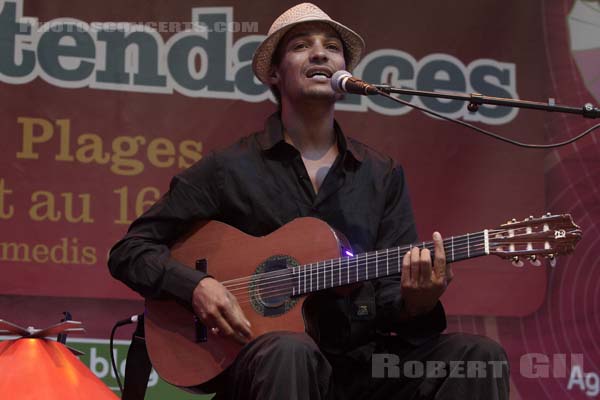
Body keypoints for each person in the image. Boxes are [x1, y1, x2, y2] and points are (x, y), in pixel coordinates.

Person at [108, 3, 509, 399]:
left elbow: (388, 297)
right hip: (266, 364)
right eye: (301, 45)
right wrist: (198, 286)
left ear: (344, 72)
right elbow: (130, 251)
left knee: (478, 357)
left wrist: (415, 302)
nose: (320, 53)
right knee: (290, 348)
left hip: (361, 366)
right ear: (273, 73)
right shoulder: (229, 168)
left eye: (332, 47)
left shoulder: (380, 173)